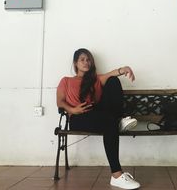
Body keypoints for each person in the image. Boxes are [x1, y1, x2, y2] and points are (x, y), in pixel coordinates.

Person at [56, 48, 141, 189]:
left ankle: (118, 120)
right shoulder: (66, 81)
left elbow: (111, 74)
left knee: (113, 81)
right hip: (78, 118)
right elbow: (60, 102)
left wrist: (124, 69)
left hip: (97, 114)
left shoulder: (95, 79)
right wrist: (73, 110)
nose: (86, 62)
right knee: (109, 122)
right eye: (82, 59)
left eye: (88, 59)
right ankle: (117, 175)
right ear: (75, 63)